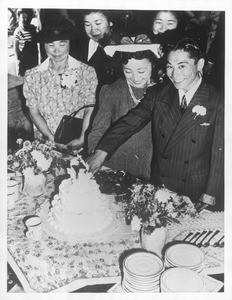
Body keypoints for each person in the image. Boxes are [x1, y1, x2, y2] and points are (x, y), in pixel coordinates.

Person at [86, 37, 224, 209]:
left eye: (182, 66)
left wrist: (210, 193)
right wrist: (100, 153)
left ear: (200, 64)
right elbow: (129, 122)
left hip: (195, 189)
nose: (175, 74)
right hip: (160, 183)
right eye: (169, 66)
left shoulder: (219, 100)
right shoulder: (159, 93)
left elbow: (221, 153)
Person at [87, 36, 162, 180]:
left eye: (141, 71)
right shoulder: (112, 91)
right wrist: (96, 157)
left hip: (147, 165)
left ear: (153, 65)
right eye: (128, 71)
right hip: (113, 163)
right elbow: (97, 130)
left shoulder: (161, 93)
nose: (135, 77)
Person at [23, 17, 98, 153]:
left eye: (62, 45)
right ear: (44, 45)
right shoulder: (32, 75)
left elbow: (89, 109)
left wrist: (82, 138)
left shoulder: (87, 72)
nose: (56, 51)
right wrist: (51, 139)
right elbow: (33, 112)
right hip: (46, 144)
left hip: (78, 142)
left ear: (69, 43)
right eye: (51, 45)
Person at [70, 9, 121, 98]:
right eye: (87, 24)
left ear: (110, 22)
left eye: (98, 23)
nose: (93, 29)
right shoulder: (78, 47)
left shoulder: (122, 45)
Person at [13, 8, 39, 76]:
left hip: (33, 57)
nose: (25, 19)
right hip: (23, 59)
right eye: (23, 17)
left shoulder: (33, 29)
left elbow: (37, 41)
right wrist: (18, 59)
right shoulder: (18, 31)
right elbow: (16, 47)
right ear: (18, 18)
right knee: (22, 76)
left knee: (33, 75)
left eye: (28, 17)